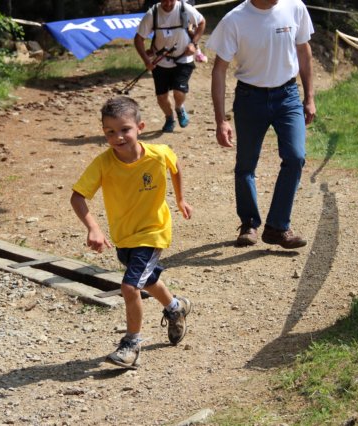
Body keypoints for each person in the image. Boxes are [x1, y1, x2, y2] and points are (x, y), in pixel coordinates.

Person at [70, 96, 193, 369]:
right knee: (147, 280)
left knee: (129, 286)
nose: (118, 137)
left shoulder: (159, 153)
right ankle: (176, 308)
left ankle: (131, 345)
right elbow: (77, 196)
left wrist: (180, 199)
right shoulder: (103, 163)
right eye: (110, 132)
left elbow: (175, 166)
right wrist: (93, 228)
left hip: (153, 231)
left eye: (125, 129)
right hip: (124, 235)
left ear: (140, 127)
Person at [206, 0, 316, 249]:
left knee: (296, 157)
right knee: (246, 165)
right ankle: (249, 223)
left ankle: (277, 227)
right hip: (250, 98)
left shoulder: (295, 7)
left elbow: (303, 50)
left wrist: (309, 97)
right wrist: (220, 120)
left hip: (288, 96)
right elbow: (219, 70)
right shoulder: (234, 20)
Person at [134, 0, 206, 133]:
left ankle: (179, 107)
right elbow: (138, 39)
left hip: (183, 58)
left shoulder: (185, 8)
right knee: (161, 97)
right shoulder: (152, 14)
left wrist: (193, 44)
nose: (168, 4)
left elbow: (201, 22)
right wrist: (146, 60)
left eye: (171, 0)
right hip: (160, 60)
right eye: (164, 0)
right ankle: (169, 118)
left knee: (179, 91)